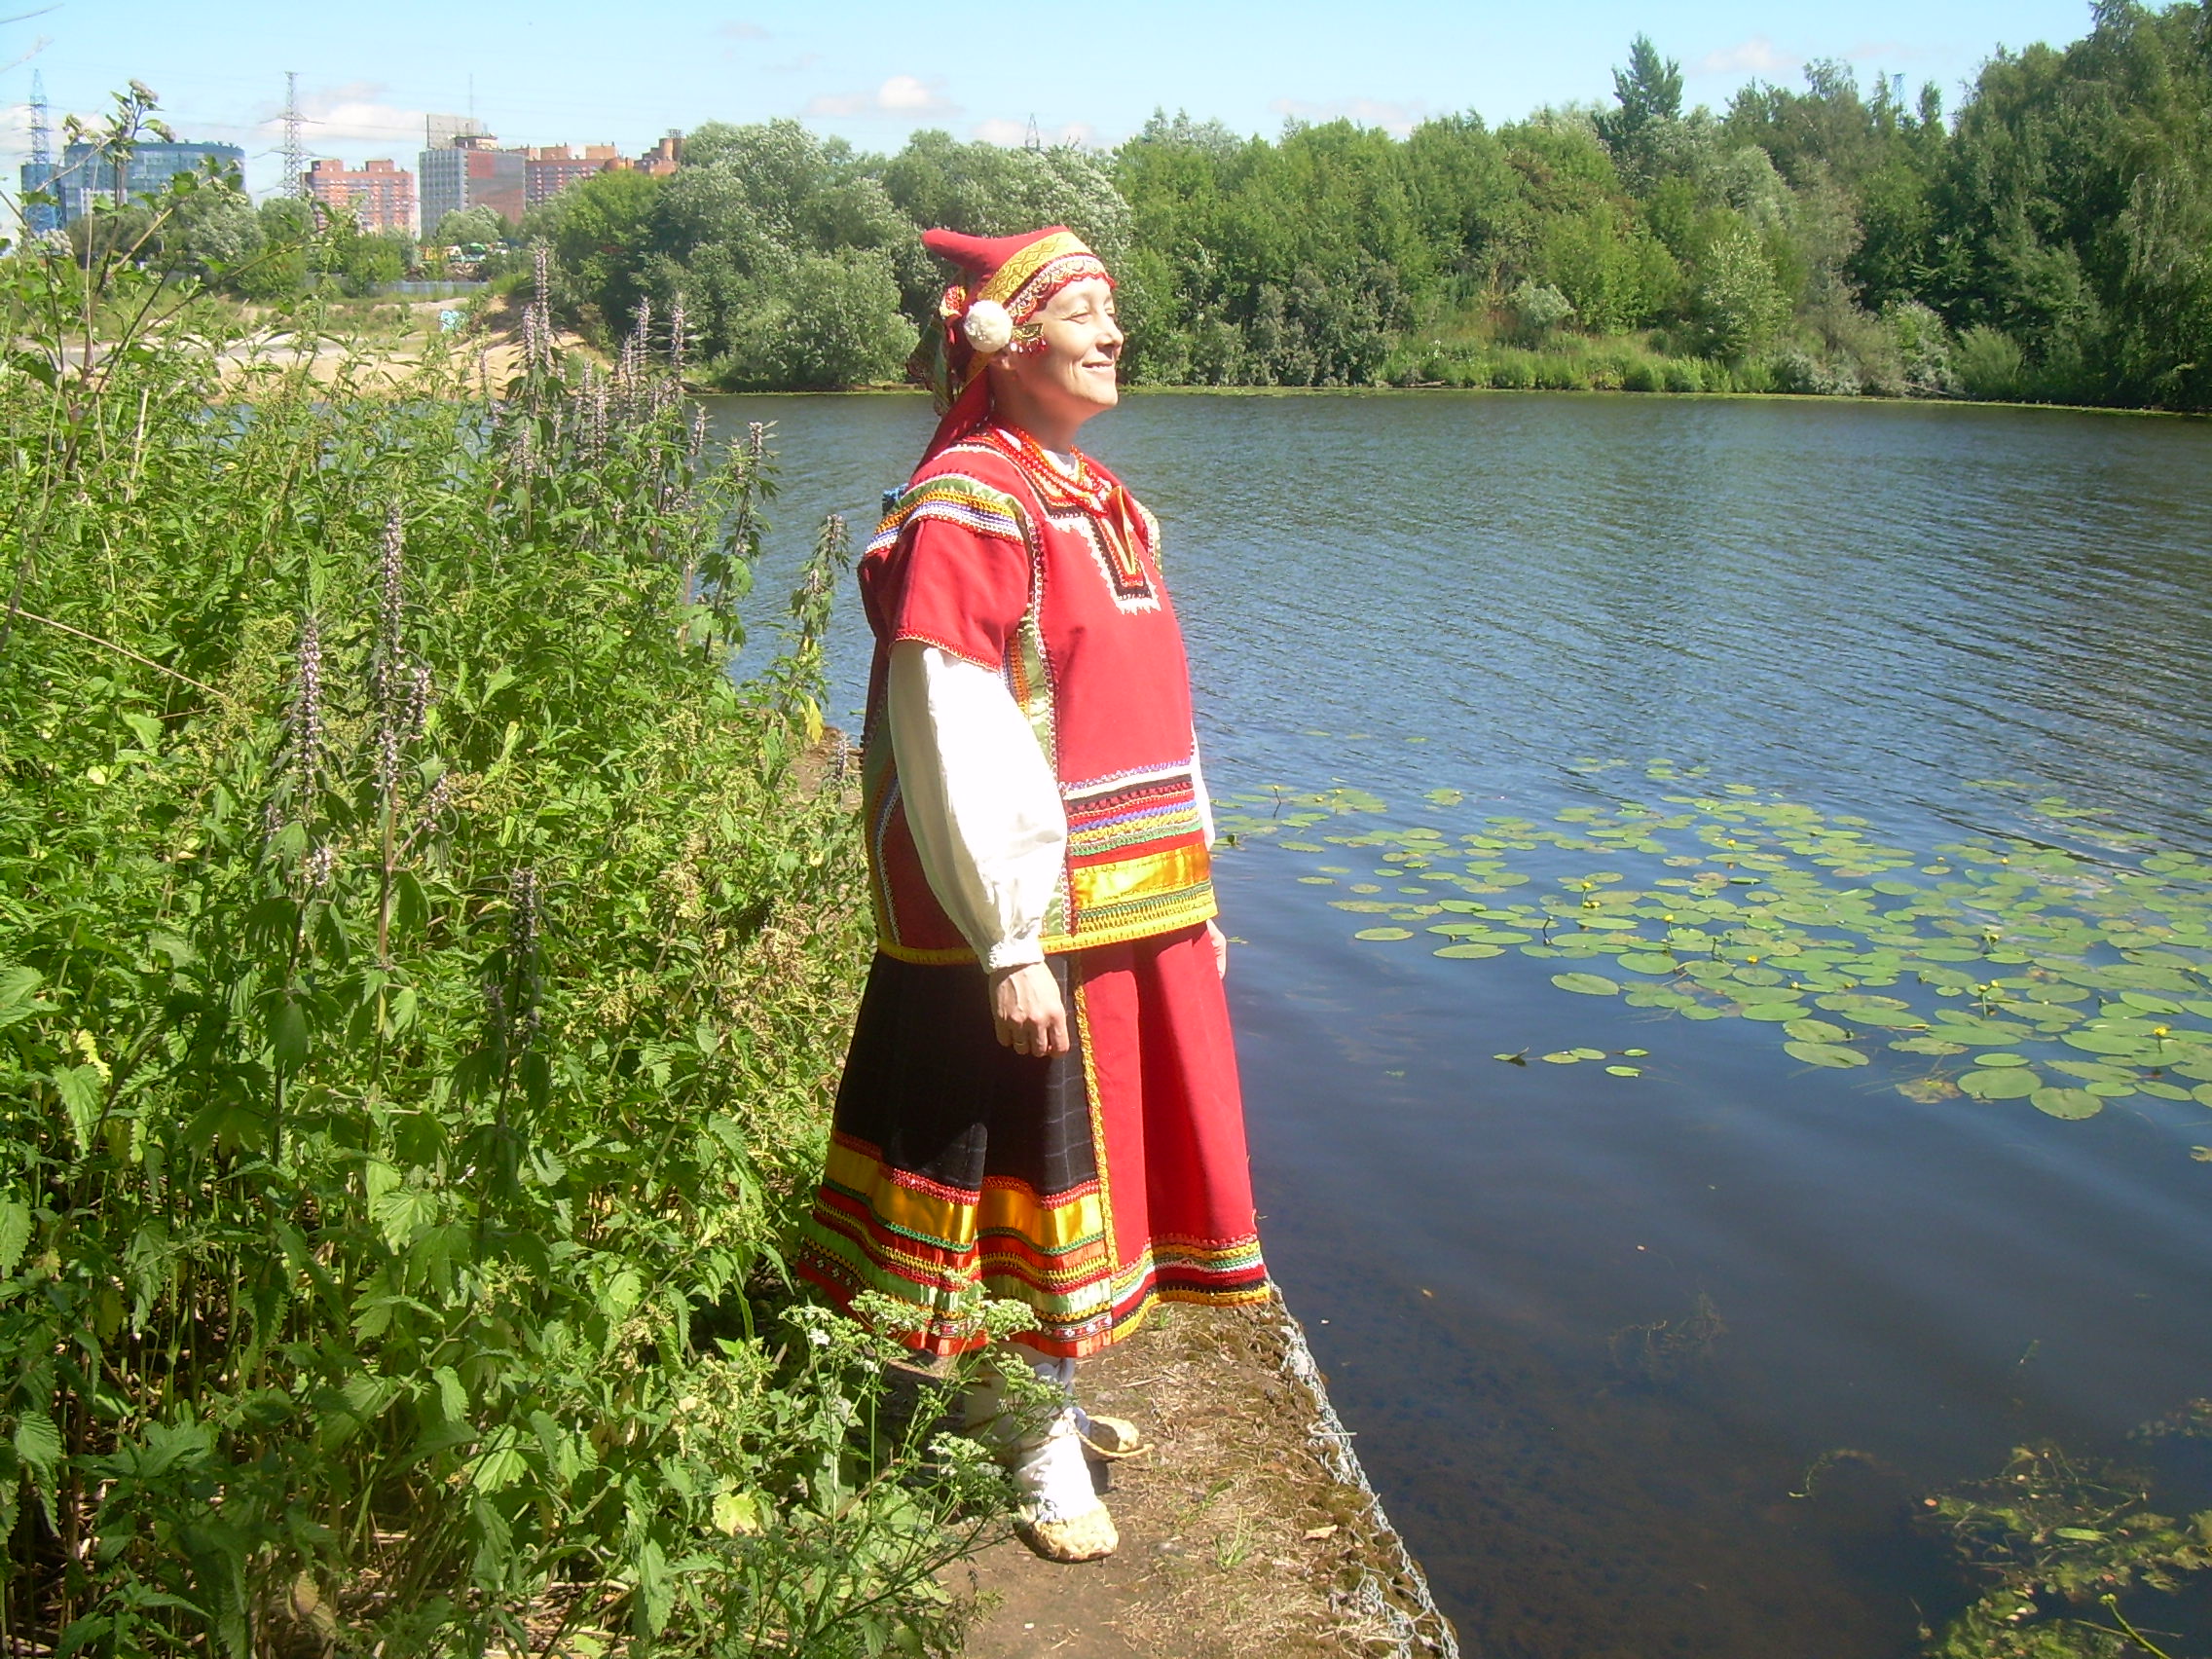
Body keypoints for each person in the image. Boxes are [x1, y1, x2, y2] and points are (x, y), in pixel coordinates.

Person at [795, 225, 1268, 1563]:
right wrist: (1007, 938)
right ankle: (1032, 1429)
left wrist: (1196, 893)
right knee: (1027, 1173)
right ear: (1004, 346)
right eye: (1081, 313)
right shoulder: (970, 503)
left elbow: (1154, 710)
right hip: (1035, 919)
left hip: (1134, 907)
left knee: (1090, 1179)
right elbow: (952, 720)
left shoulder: (1100, 498)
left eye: (1112, 310)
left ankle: (1022, 1390)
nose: (1112, 335)